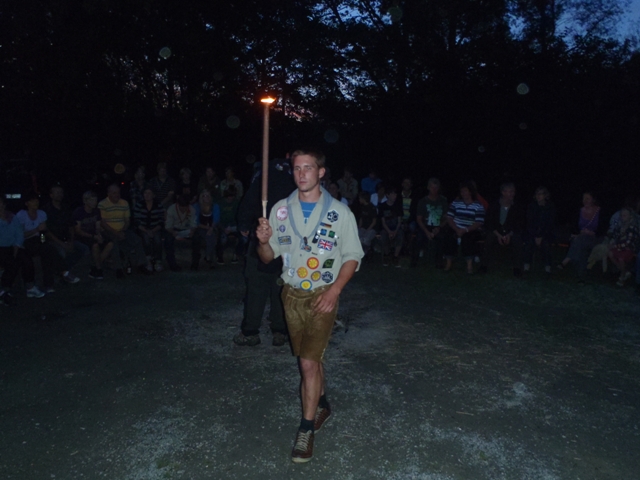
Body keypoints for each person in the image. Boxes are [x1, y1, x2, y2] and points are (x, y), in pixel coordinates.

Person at [256, 149, 363, 463]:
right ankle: (323, 404)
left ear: (321, 172)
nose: (301, 173)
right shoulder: (280, 210)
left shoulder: (340, 213)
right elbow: (268, 257)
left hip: (322, 295)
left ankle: (306, 430)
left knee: (306, 363)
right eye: (296, 168)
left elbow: (352, 256)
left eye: (308, 168)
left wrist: (335, 292)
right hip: (290, 295)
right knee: (311, 358)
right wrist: (262, 241)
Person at [233, 157, 295, 347]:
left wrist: (245, 225)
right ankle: (279, 330)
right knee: (279, 286)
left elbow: (248, 203)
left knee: (257, 287)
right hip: (284, 241)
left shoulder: (263, 179)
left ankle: (251, 331)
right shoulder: (294, 181)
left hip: (266, 239)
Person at [99, 184, 154, 278]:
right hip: (108, 231)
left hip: (122, 229)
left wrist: (123, 230)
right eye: (114, 193)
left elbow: (127, 220)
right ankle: (118, 269)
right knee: (114, 243)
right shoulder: (102, 204)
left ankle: (141, 264)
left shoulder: (124, 203)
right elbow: (103, 223)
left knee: (137, 240)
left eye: (118, 193)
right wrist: (116, 233)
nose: (117, 195)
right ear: (109, 194)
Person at [16, 192, 65, 294]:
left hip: (38, 240)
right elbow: (20, 235)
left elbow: (43, 232)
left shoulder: (41, 213)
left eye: (36, 200)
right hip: (25, 242)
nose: (35, 203)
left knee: (47, 253)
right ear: (26, 203)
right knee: (48, 250)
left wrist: (42, 239)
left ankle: (48, 284)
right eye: (32, 201)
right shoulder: (21, 215)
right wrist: (36, 229)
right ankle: (63, 270)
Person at [0, 194, 43, 303]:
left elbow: (19, 232)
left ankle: (30, 287)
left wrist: (17, 245)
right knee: (11, 263)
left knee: (27, 259)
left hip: (14, 246)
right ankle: (5, 290)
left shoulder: (12, 217)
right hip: (1, 248)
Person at [42, 186, 87, 282]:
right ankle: (63, 273)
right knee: (61, 252)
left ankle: (63, 271)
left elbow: (71, 226)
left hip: (67, 238)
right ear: (51, 195)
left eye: (61, 192)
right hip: (53, 240)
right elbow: (46, 231)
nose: (60, 194)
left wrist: (71, 241)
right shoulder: (46, 210)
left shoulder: (66, 208)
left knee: (83, 249)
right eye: (57, 192)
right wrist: (62, 243)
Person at [479, 182, 525, 277]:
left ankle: (517, 268)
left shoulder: (517, 206)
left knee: (517, 240)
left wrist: (509, 234)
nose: (512, 194)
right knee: (489, 238)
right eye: (509, 192)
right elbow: (489, 222)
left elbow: (519, 224)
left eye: (513, 192)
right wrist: (498, 235)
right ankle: (483, 265)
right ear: (503, 192)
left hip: (510, 232)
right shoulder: (494, 205)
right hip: (496, 231)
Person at [443, 182, 485, 274]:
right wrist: (456, 229)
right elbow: (449, 217)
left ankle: (469, 265)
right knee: (449, 236)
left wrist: (466, 230)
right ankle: (448, 263)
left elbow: (479, 222)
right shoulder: (456, 203)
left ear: (470, 192)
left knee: (468, 238)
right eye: (462, 191)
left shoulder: (478, 205)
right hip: (456, 227)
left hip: (471, 229)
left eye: (465, 191)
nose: (463, 193)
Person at [558, 191, 601, 283]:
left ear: (593, 200)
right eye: (584, 198)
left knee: (579, 241)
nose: (585, 200)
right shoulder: (579, 211)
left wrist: (592, 233)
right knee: (581, 246)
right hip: (580, 237)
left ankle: (567, 259)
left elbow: (603, 229)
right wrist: (578, 232)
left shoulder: (599, 211)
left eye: (587, 198)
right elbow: (573, 226)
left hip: (594, 238)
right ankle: (581, 277)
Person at [72, 191, 114, 280]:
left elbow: (97, 226)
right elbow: (78, 230)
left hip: (93, 234)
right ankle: (98, 269)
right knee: (95, 245)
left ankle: (95, 265)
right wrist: (93, 237)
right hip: (83, 236)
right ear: (85, 201)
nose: (94, 202)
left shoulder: (96, 211)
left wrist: (99, 235)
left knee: (110, 243)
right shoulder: (79, 212)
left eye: (95, 200)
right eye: (92, 200)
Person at [412, 178, 448, 268]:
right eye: (432, 188)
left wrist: (439, 227)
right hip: (425, 226)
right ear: (428, 188)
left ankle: (439, 262)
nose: (434, 190)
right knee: (419, 238)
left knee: (442, 238)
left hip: (438, 226)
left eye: (436, 188)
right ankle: (414, 261)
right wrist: (426, 231)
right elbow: (419, 219)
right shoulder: (423, 201)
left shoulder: (443, 200)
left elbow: (446, 218)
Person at [523, 187, 556, 276]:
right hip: (532, 233)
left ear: (545, 195)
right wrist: (535, 235)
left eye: (541, 194)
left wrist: (541, 236)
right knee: (529, 242)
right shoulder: (531, 206)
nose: (538, 195)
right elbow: (529, 222)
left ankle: (547, 268)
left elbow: (550, 224)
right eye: (537, 193)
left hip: (546, 233)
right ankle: (526, 267)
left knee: (546, 244)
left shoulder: (550, 207)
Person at [133, 187, 165, 272]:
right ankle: (148, 260)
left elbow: (161, 220)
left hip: (155, 228)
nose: (147, 195)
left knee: (158, 240)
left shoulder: (158, 205)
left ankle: (158, 261)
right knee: (145, 239)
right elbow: (136, 220)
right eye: (145, 193)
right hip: (143, 228)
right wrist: (146, 230)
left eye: (149, 193)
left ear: (153, 195)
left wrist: (153, 230)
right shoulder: (139, 205)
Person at [164, 195, 198, 271]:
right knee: (168, 240)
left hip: (187, 229)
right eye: (182, 207)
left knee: (197, 238)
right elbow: (168, 226)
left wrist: (192, 231)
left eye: (185, 207)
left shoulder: (191, 209)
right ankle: (172, 264)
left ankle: (195, 264)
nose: (184, 209)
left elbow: (194, 223)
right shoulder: (171, 209)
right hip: (174, 229)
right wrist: (173, 232)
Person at [606, 207, 640, 287]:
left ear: (630, 216)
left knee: (621, 258)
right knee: (610, 253)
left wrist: (616, 245)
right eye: (622, 215)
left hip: (629, 248)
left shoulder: (632, 227)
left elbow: (628, 243)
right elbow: (616, 237)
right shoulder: (620, 226)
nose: (623, 217)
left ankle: (622, 275)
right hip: (620, 246)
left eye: (625, 215)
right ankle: (625, 272)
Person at [216, 185, 244, 265]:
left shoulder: (237, 203)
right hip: (222, 226)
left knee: (243, 238)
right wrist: (223, 228)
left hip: (234, 226)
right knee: (222, 239)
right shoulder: (220, 203)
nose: (230, 198)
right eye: (229, 196)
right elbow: (217, 219)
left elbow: (239, 217)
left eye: (232, 196)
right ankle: (219, 256)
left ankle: (236, 255)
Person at [193, 189, 220, 268]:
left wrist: (211, 228)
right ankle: (209, 258)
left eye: (207, 196)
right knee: (205, 236)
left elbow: (216, 219)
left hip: (212, 227)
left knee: (211, 236)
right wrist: (206, 227)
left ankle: (209, 257)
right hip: (200, 227)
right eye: (204, 196)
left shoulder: (215, 206)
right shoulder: (196, 206)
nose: (206, 197)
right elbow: (196, 221)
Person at [378, 187, 404, 267]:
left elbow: (399, 221)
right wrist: (389, 231)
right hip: (386, 228)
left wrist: (395, 231)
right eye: (393, 194)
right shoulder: (382, 206)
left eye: (395, 194)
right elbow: (383, 222)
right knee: (383, 236)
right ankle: (387, 255)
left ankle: (395, 257)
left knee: (400, 235)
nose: (394, 196)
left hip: (396, 228)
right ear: (387, 195)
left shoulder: (398, 206)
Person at [357, 191, 377, 259]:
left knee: (365, 240)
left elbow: (374, 222)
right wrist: (359, 228)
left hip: (371, 229)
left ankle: (366, 253)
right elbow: (361, 219)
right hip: (363, 228)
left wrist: (367, 230)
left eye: (360, 198)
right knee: (357, 238)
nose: (359, 200)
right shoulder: (362, 207)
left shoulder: (372, 208)